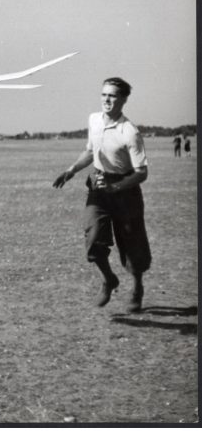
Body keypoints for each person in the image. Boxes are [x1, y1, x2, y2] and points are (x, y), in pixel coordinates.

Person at [53, 77, 151, 313]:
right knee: (93, 236)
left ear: (124, 100)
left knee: (131, 244)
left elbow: (142, 173)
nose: (107, 99)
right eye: (104, 94)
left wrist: (116, 188)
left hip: (125, 188)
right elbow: (90, 151)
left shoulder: (129, 132)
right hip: (98, 183)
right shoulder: (94, 120)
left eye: (113, 95)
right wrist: (71, 170)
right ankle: (109, 279)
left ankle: (137, 288)